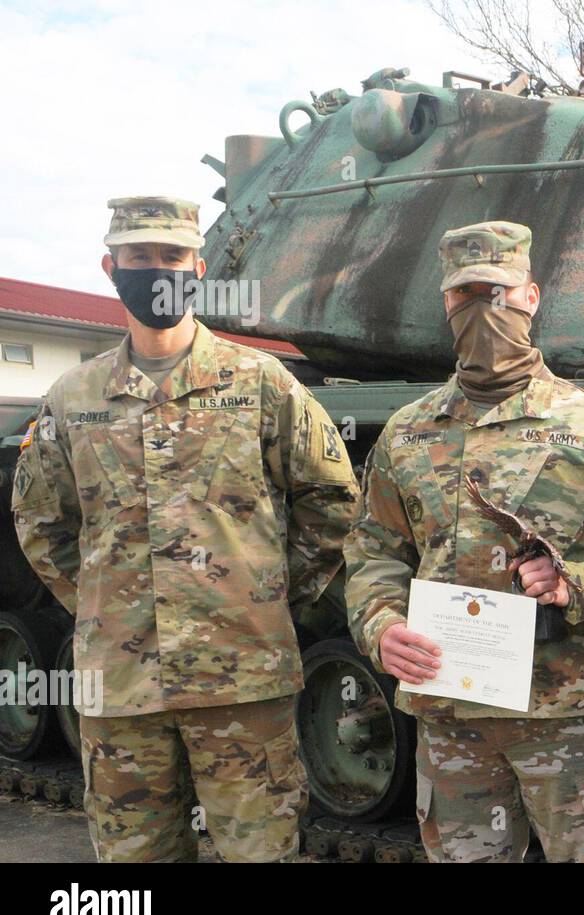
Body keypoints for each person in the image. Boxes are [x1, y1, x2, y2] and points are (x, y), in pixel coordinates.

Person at [11, 196, 359, 861]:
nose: (156, 270)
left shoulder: (261, 382)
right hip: (121, 688)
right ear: (111, 268)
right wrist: (100, 605)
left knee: (260, 853)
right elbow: (40, 518)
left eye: (170, 257)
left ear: (197, 267)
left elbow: (333, 497)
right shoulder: (73, 397)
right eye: (139, 257)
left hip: (243, 682)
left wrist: (269, 596)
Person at [344, 221, 584, 862]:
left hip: (561, 713)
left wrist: (577, 584)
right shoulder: (407, 432)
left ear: (532, 296)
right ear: (446, 305)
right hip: (452, 714)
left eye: (498, 291)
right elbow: (375, 551)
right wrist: (380, 625)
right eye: (466, 296)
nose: (483, 308)